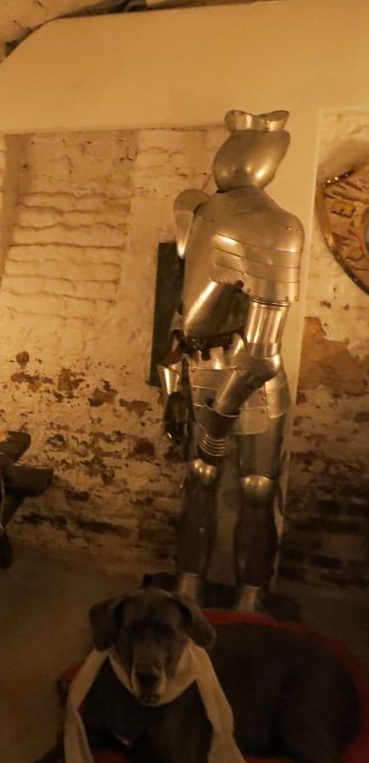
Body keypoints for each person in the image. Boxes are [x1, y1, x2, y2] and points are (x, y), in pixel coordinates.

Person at [158, 109, 304, 612]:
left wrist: (220, 418)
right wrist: (172, 384)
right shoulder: (197, 210)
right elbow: (182, 311)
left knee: (257, 489)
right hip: (200, 369)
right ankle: (188, 587)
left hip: (251, 384)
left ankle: (251, 599)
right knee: (198, 482)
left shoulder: (277, 228)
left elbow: (263, 356)